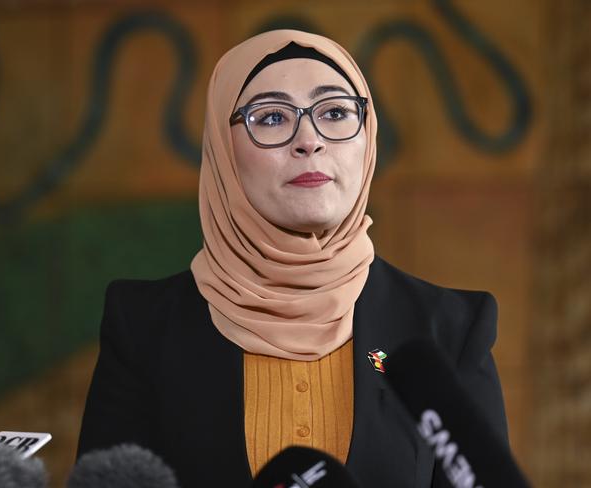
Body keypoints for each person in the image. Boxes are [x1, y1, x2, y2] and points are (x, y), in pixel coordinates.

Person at [76, 29, 508, 487]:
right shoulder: (144, 328)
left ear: (368, 137)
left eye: (336, 113)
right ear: (223, 152)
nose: (309, 141)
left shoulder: (451, 329)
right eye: (271, 118)